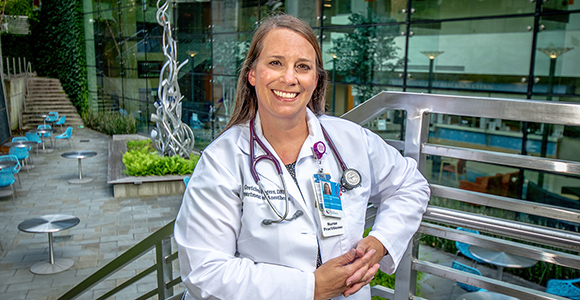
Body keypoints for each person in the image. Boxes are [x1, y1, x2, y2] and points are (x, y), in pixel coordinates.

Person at [175, 14, 430, 300]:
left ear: (315, 79)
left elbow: (410, 185)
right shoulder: (222, 160)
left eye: (303, 66)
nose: (289, 78)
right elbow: (205, 271)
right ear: (252, 74)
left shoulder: (351, 140)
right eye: (275, 63)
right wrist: (310, 289)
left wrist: (381, 242)